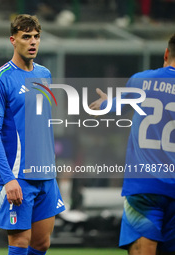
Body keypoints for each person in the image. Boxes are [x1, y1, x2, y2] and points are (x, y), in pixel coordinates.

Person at [0, 14, 65, 255]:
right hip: (19, 175)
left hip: (46, 174)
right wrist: (8, 178)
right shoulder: (0, 79)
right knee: (19, 243)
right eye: (26, 37)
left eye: (36, 37)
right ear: (13, 40)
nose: (33, 42)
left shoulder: (45, 74)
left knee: (41, 243)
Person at [89, 34, 175, 255]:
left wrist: (105, 104)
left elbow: (117, 106)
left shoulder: (141, 81)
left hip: (144, 187)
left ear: (166, 54)